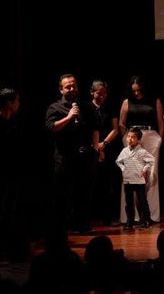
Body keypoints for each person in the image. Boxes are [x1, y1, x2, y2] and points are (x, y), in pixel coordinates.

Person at [46, 74, 99, 233]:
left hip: (84, 156)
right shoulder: (54, 107)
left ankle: (82, 225)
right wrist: (69, 117)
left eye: (74, 86)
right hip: (64, 157)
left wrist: (95, 150)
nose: (71, 89)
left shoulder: (87, 106)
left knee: (83, 193)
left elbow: (95, 128)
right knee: (64, 194)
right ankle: (64, 227)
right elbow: (51, 127)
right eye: (67, 86)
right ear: (61, 89)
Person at [119, 76, 164, 223]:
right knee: (131, 174)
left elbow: (160, 123)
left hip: (151, 136)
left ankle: (151, 215)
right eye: (134, 91)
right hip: (132, 138)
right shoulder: (127, 102)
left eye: (139, 90)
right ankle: (131, 217)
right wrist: (125, 139)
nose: (137, 93)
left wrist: (159, 140)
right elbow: (121, 123)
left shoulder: (154, 100)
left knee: (151, 174)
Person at [89, 80, 121, 226]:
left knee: (109, 184)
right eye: (98, 93)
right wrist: (95, 146)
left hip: (108, 147)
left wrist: (104, 144)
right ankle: (92, 216)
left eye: (104, 94)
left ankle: (110, 217)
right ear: (92, 93)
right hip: (90, 147)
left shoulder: (110, 107)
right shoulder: (87, 108)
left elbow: (115, 129)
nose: (101, 96)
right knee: (92, 183)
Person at [0, 87, 25, 260]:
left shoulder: (13, 123)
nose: (18, 104)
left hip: (11, 175)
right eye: (16, 101)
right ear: (9, 103)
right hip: (1, 175)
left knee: (9, 211)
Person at [116, 127, 155, 229]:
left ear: (138, 139)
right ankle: (130, 221)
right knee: (129, 202)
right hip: (128, 180)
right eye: (128, 137)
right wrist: (123, 168)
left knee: (142, 201)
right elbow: (118, 161)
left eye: (133, 137)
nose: (129, 139)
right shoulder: (124, 151)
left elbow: (151, 160)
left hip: (138, 180)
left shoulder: (142, 151)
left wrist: (144, 169)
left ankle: (147, 220)